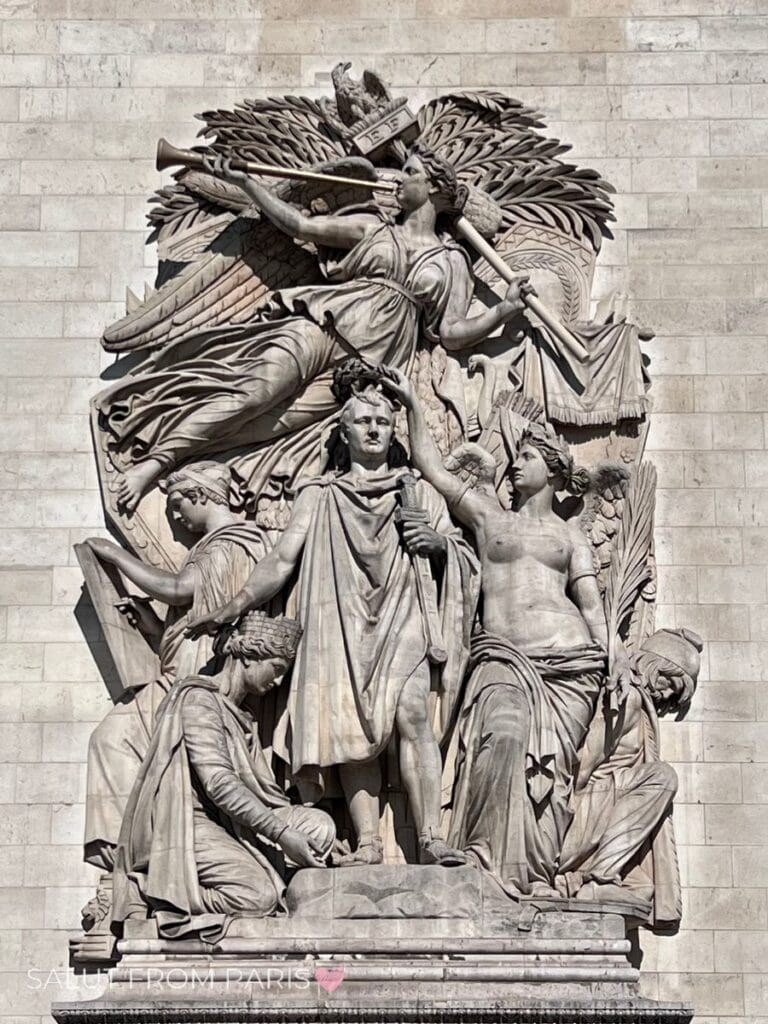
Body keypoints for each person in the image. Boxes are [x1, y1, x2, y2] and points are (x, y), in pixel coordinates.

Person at [95, 143, 532, 512]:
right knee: (257, 391)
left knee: (271, 424)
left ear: (434, 188)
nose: (399, 180)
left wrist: (502, 312)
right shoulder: (371, 227)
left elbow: (451, 331)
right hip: (322, 324)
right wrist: (248, 183)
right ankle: (153, 462)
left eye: (410, 174)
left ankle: (183, 459)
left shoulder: (453, 262)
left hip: (366, 369)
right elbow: (300, 225)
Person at [186, 378, 480, 867]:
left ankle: (430, 836)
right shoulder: (319, 494)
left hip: (403, 610)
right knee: (348, 729)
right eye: (363, 421)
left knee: (412, 715)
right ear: (343, 432)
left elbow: (462, 552)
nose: (374, 430)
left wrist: (436, 543)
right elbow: (282, 560)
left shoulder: (418, 492)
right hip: (339, 617)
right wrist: (237, 601)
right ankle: (368, 841)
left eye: (384, 422)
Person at [382, 365, 632, 897]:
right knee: (503, 736)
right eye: (516, 458)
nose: (516, 467)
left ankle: (532, 873)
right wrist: (412, 407)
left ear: (555, 470)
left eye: (527, 458)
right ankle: (481, 857)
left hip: (570, 665)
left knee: (551, 780)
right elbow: (431, 467)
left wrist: (619, 658)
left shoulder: (571, 537)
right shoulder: (489, 516)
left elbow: (591, 605)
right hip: (502, 657)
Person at [83, 461, 269, 874]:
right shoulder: (213, 546)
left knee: (114, 738)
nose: (176, 516)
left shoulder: (231, 543)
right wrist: (153, 626)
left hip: (194, 681)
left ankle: (129, 856)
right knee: (117, 740)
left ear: (202, 495)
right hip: (181, 671)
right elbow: (189, 614)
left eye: (178, 504)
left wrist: (115, 555)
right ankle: (130, 855)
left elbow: (179, 590)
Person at [112, 611, 335, 942]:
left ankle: (269, 868)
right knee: (257, 896)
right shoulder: (199, 700)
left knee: (320, 826)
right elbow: (220, 784)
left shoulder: (243, 717)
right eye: (276, 670)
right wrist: (284, 834)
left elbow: (264, 795)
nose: (276, 682)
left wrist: (311, 838)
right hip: (190, 823)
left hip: (233, 823)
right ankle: (150, 891)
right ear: (248, 657)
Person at [557, 628, 702, 925]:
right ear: (653, 664)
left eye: (673, 694)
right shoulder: (629, 697)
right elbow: (583, 762)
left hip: (601, 812)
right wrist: (560, 815)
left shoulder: (637, 702)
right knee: (661, 777)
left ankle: (592, 884)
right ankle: (600, 876)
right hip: (578, 813)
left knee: (641, 888)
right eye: (669, 683)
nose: (666, 694)